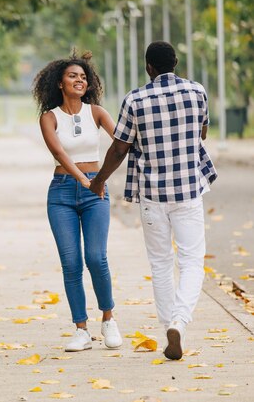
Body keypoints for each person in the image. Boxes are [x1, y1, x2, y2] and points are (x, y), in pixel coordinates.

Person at [89, 41, 217, 360]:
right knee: (191, 262)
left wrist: (100, 180)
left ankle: (167, 328)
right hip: (188, 190)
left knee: (161, 264)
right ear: (175, 62)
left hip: (152, 194)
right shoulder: (197, 91)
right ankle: (179, 322)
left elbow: (119, 148)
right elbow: (201, 133)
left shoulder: (135, 99)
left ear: (149, 67)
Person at [33, 52, 122, 352]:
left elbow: (122, 139)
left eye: (83, 77)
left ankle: (108, 319)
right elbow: (59, 153)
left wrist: (96, 180)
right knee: (71, 263)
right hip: (61, 193)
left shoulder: (96, 112)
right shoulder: (49, 117)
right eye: (73, 76)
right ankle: (81, 329)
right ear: (60, 83)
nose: (79, 80)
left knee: (96, 258)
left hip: (95, 192)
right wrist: (83, 180)